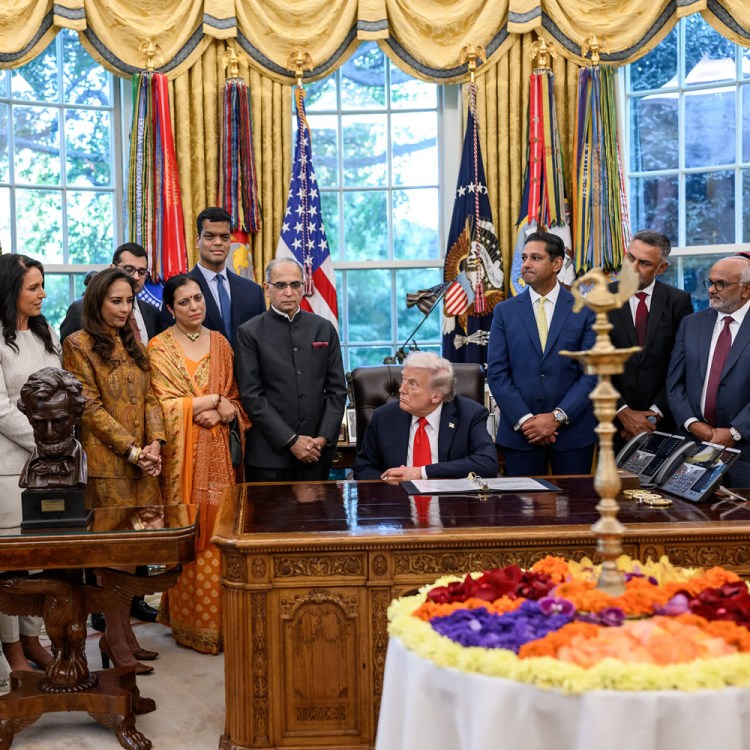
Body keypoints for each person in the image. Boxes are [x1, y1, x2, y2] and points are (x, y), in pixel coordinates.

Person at [62, 267, 165, 674]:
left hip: (144, 463)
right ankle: (114, 637)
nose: (124, 309)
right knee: (112, 559)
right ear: (97, 302)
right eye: (116, 301)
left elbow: (152, 398)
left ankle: (124, 633)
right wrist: (133, 449)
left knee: (134, 555)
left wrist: (156, 443)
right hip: (109, 466)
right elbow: (88, 408)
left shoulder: (132, 341)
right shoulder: (78, 343)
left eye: (129, 301)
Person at [147, 274, 249, 654]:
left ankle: (225, 625)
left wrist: (225, 411)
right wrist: (208, 402)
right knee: (190, 536)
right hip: (181, 462)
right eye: (185, 302)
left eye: (198, 298)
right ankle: (191, 624)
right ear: (170, 309)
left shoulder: (221, 344)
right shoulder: (158, 348)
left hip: (221, 459)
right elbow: (158, 407)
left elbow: (236, 400)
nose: (194, 306)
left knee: (220, 537)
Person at [488, 232, 597, 476]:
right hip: (520, 435)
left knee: (574, 510)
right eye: (524, 257)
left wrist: (557, 417)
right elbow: (497, 373)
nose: (525, 264)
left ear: (557, 264)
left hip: (572, 435)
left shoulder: (586, 311)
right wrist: (527, 421)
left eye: (535, 258)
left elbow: (592, 375)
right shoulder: (504, 312)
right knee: (522, 511)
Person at [235, 257, 347, 481]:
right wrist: (292, 440)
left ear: (303, 288)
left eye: (295, 285)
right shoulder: (249, 332)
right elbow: (252, 396)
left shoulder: (324, 328)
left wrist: (323, 438)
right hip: (270, 456)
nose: (288, 292)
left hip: (317, 452)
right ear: (267, 289)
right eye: (280, 285)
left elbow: (337, 390)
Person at [0, 253, 58, 673]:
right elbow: (0, 409)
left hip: (52, 468)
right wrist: (44, 442)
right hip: (9, 465)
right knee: (11, 562)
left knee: (42, 556)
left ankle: (32, 637)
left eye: (42, 285)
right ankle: (10, 649)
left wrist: (59, 444)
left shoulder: (45, 333)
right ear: (10, 291)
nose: (42, 294)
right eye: (33, 287)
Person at [667, 254, 750, 487]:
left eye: (721, 284)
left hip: (744, 451)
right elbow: (674, 383)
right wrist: (692, 423)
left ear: (746, 290)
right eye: (710, 282)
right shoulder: (691, 324)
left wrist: (734, 432)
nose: (712, 290)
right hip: (692, 444)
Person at [353, 351, 498, 480]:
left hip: (451, 504)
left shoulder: (469, 414)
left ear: (436, 396)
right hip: (398, 502)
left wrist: (422, 472)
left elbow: (487, 463)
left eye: (412, 384)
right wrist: (388, 481)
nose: (401, 389)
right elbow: (363, 468)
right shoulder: (383, 417)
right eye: (403, 379)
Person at [608, 231, 693, 448]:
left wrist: (653, 416)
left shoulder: (678, 301)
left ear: (661, 268)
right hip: (612, 423)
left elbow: (683, 364)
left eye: (644, 263)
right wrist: (623, 412)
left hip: (662, 423)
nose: (633, 267)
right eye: (630, 258)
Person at [160, 207, 265, 345]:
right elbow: (169, 343)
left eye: (224, 237)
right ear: (197, 241)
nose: (218, 242)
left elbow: (262, 340)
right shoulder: (179, 291)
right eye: (210, 236)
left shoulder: (253, 291)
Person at [60, 242, 160, 344]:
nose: (136, 277)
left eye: (142, 272)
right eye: (129, 270)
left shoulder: (153, 313)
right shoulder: (79, 309)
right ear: (113, 268)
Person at [17, 367, 87, 489]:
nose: (49, 433)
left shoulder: (89, 466)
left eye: (59, 421)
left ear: (76, 416)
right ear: (29, 417)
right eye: (40, 422)